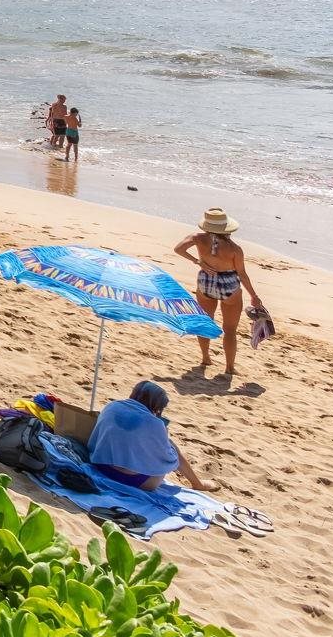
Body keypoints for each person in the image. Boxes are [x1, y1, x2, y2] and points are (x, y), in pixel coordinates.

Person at [175, 208, 266, 379]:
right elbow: (242, 274)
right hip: (228, 285)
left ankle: (205, 358)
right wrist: (254, 296)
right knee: (230, 329)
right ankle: (229, 367)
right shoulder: (234, 249)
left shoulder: (197, 238)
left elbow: (178, 249)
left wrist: (198, 261)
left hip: (206, 283)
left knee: (205, 322)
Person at [86, 381, 215, 491]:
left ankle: (198, 483)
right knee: (172, 447)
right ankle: (197, 484)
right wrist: (163, 433)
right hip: (134, 480)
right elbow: (169, 459)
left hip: (100, 466)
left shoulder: (111, 406)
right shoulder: (155, 423)